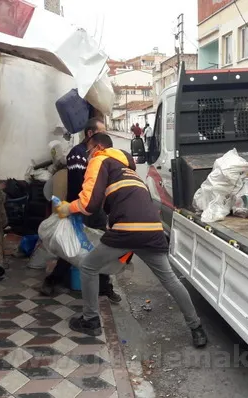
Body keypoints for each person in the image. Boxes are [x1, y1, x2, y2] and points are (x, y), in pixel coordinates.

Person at [56, 133, 208, 348]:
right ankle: (196, 328)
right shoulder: (129, 171)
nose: (87, 154)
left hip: (127, 229)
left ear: (98, 147)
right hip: (153, 230)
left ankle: (90, 320)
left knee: (89, 266)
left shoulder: (100, 159)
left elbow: (89, 203)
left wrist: (67, 208)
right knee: (170, 280)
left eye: (88, 148)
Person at [40, 119, 122, 302]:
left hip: (97, 210)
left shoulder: (103, 155)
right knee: (71, 246)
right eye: (102, 131)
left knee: (101, 247)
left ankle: (105, 286)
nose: (105, 135)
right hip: (79, 208)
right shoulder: (77, 154)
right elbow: (80, 185)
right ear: (90, 134)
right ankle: (52, 280)